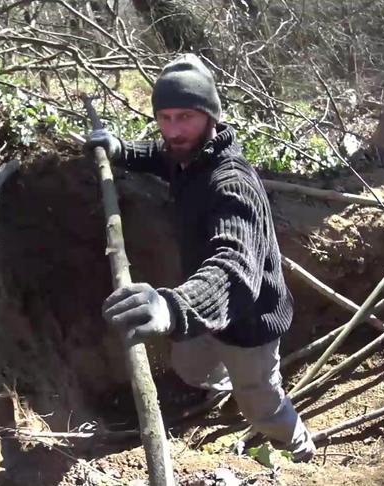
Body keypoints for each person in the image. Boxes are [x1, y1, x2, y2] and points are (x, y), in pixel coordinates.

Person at [85, 54, 316, 463]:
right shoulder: (189, 154)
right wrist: (121, 149)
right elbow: (160, 155)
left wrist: (174, 307)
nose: (174, 130)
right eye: (166, 117)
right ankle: (221, 388)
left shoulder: (231, 185)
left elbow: (234, 267)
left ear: (211, 116)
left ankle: (298, 447)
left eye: (186, 117)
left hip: (249, 322)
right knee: (190, 364)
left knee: (261, 405)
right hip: (204, 304)